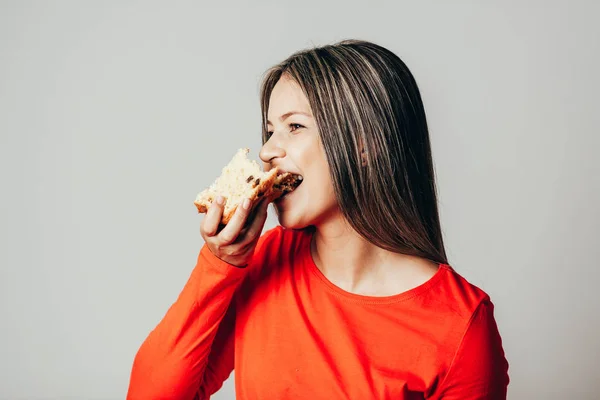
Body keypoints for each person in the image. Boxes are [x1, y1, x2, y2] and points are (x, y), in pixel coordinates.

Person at [126, 40, 509, 399]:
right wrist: (218, 265)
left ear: (365, 144)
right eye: (270, 130)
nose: (267, 150)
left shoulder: (461, 325)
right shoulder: (266, 259)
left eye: (295, 127)